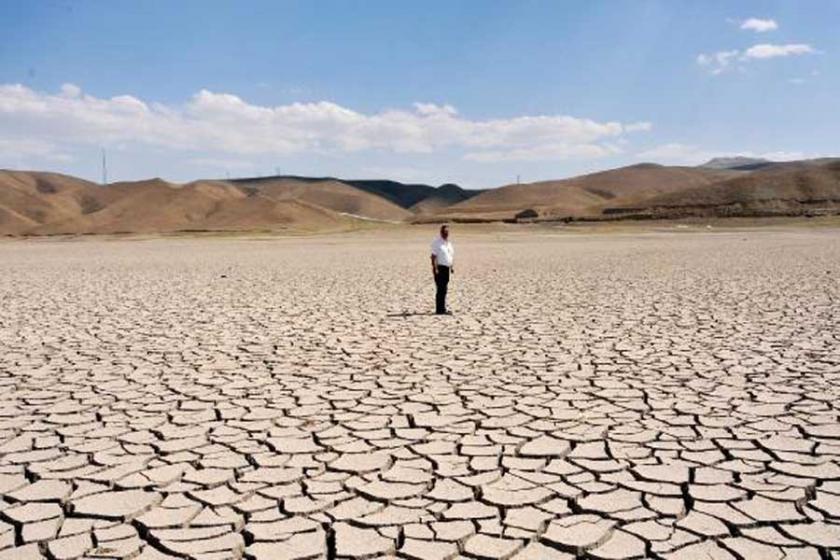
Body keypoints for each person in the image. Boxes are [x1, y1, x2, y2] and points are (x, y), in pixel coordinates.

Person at [430, 225, 455, 315]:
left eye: (447, 232)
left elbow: (450, 256)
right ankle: (439, 310)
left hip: (446, 269)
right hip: (439, 268)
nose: (446, 234)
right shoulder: (437, 243)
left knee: (444, 289)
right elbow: (433, 256)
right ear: (441, 232)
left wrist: (451, 267)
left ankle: (442, 308)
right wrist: (435, 268)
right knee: (440, 289)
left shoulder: (448, 243)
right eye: (444, 232)